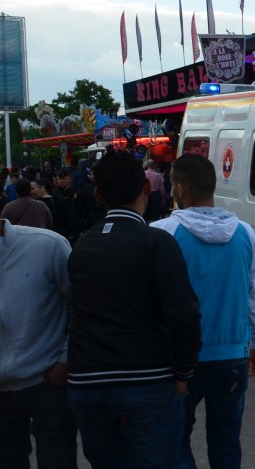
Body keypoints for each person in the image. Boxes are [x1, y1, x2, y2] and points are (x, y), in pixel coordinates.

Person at [66, 150, 202, 468]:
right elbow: (184, 315)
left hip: (87, 385)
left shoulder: (83, 245)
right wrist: (184, 372)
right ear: (145, 188)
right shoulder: (156, 243)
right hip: (146, 382)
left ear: (98, 194)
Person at [150, 154, 255, 469]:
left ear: (180, 189)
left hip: (179, 361)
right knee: (226, 439)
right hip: (232, 355)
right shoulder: (245, 233)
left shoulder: (161, 233)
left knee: (176, 438)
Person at [0, 220, 76, 469]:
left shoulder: (46, 245)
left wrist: (65, 359)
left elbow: (82, 305)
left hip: (47, 381)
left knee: (57, 460)